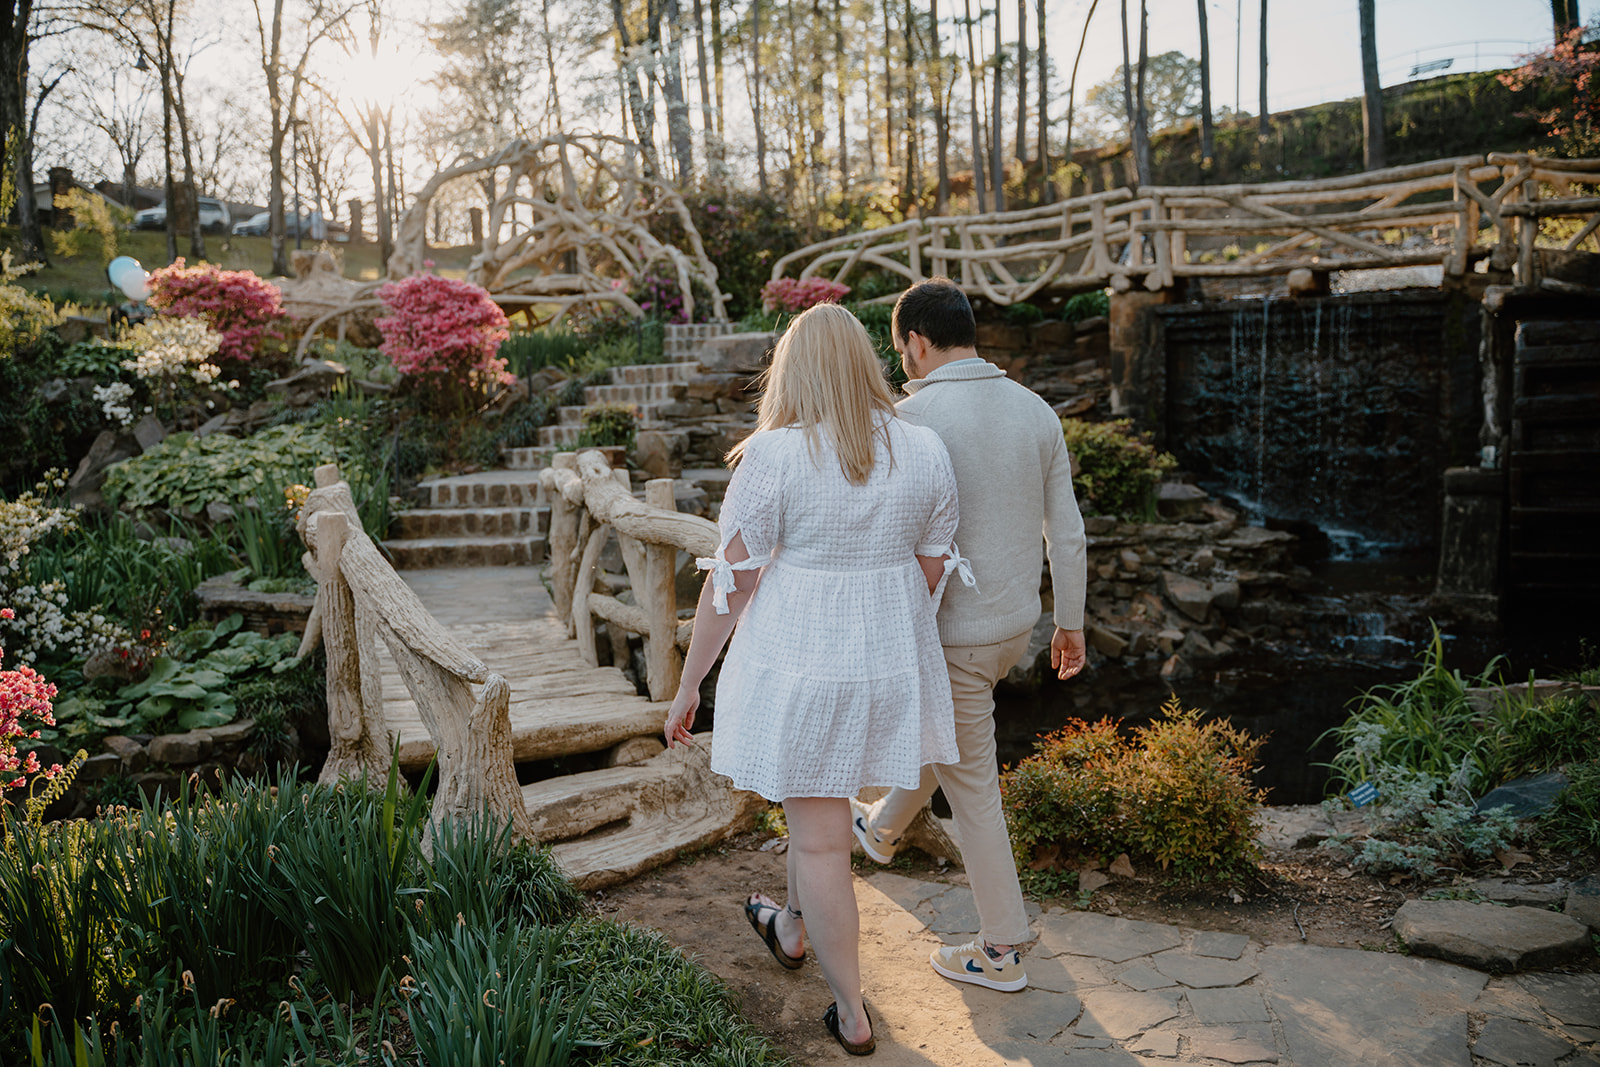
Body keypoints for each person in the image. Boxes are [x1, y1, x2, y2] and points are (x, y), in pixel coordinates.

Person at [664, 301, 972, 1057]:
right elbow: (933, 564)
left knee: (822, 838)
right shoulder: (924, 448)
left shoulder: (773, 458)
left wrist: (690, 682)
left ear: (792, 370)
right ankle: (791, 927)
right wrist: (884, 619)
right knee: (821, 822)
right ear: (869, 360)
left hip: (801, 664)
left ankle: (852, 1014)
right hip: (888, 664)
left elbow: (728, 585)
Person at [850, 277, 1087, 993]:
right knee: (949, 736)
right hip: (1015, 626)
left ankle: (1002, 947)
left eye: (901, 352)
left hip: (950, 630)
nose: (902, 364)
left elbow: (880, 531)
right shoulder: (1035, 409)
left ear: (916, 343)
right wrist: (1069, 622)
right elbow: (1067, 531)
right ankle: (884, 829)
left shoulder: (908, 418)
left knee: (974, 785)